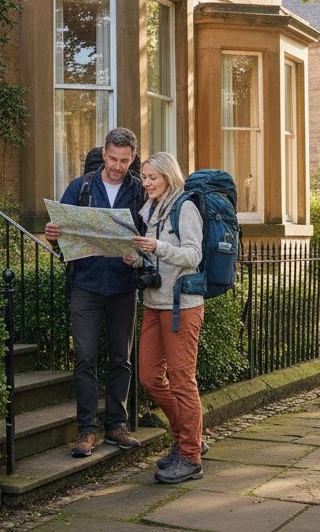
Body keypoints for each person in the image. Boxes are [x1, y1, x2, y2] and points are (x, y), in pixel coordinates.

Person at [44, 127, 144, 458]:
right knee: (85, 357)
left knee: (121, 358)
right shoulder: (81, 186)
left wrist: (139, 255)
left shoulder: (139, 191)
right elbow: (61, 232)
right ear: (104, 154)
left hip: (122, 285)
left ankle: (117, 425)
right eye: (113, 159)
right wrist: (53, 234)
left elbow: (149, 237)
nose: (118, 166)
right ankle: (86, 430)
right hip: (86, 284)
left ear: (132, 158)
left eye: (124, 161)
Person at [123, 151, 206, 484]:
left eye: (151, 177)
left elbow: (193, 254)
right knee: (149, 377)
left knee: (183, 381)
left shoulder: (184, 207)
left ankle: (190, 457)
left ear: (168, 177)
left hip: (182, 305)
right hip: (154, 303)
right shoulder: (153, 210)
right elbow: (156, 255)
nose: (145, 183)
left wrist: (157, 248)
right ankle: (188, 436)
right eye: (143, 177)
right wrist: (137, 258)